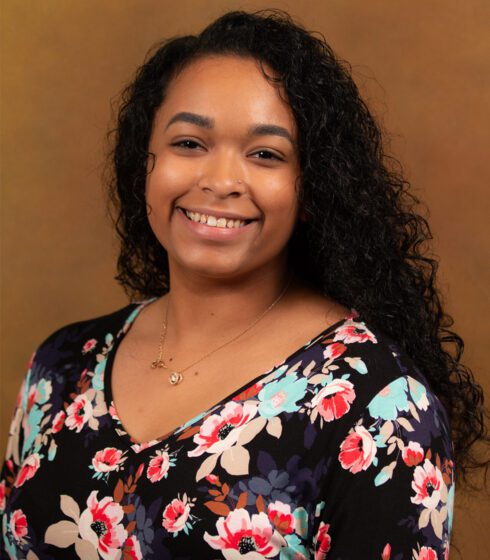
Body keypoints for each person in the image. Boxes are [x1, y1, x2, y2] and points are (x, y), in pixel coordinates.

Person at [1, 8, 487, 559]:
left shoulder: (380, 410)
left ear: (312, 187)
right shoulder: (62, 364)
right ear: (146, 165)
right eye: (189, 143)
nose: (220, 181)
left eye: (265, 155)